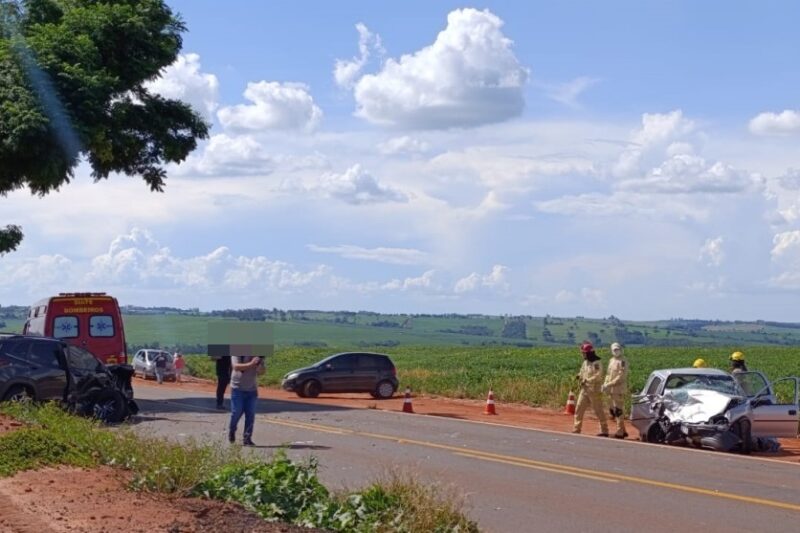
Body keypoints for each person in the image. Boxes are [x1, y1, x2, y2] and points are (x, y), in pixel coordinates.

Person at [573, 341, 609, 437]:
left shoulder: (596, 363)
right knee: (579, 408)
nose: (583, 355)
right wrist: (579, 375)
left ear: (589, 353)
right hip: (585, 389)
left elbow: (598, 375)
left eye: (584, 353)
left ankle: (604, 430)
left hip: (594, 390)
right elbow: (582, 371)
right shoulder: (585, 362)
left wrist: (587, 380)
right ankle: (576, 429)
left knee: (598, 410)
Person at [228, 355, 265, 446]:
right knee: (236, 412)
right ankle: (232, 430)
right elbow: (236, 366)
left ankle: (247, 438)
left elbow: (262, 372)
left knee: (250, 415)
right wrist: (251, 363)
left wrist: (259, 366)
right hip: (237, 388)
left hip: (252, 389)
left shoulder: (259, 355)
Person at [602, 342, 629, 439]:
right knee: (613, 410)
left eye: (617, 349)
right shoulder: (611, 360)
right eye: (614, 350)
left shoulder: (623, 361)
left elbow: (621, 377)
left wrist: (609, 384)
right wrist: (605, 384)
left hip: (618, 389)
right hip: (611, 389)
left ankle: (620, 432)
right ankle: (623, 430)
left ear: (621, 350)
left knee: (618, 410)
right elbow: (608, 374)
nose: (616, 351)